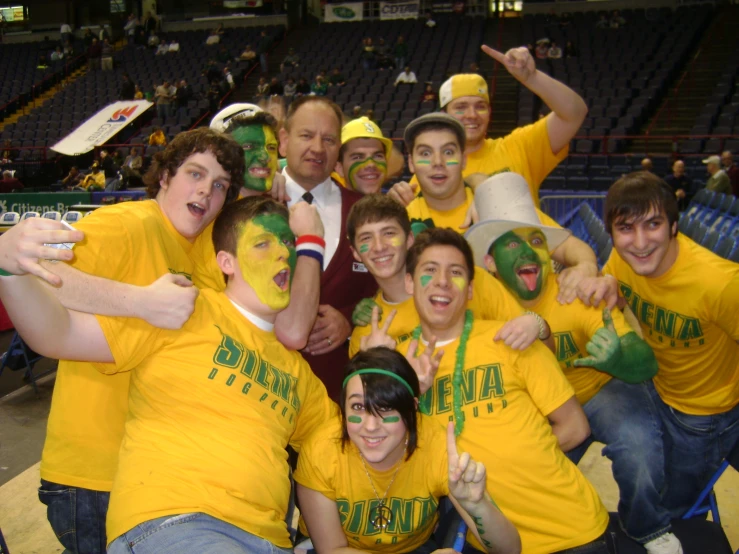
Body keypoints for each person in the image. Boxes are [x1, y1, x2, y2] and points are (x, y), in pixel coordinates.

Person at [0, 196, 334, 554]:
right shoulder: (183, 309)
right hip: (176, 524)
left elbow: (341, 450)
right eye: (263, 243)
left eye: (288, 242)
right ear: (227, 262)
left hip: (271, 539)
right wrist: (9, 269)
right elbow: (57, 334)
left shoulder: (299, 374)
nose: (283, 253)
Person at [0, 128, 245, 553]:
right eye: (195, 174)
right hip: (96, 477)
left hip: (148, 476)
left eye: (219, 185)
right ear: (165, 176)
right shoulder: (130, 222)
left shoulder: (198, 247)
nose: (206, 190)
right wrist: (140, 301)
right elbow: (36, 267)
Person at [466, 172, 685, 554]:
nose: (527, 251)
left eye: (536, 241)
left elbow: (644, 363)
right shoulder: (481, 302)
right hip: (540, 404)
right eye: (511, 243)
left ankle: (647, 527)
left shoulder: (578, 291)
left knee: (638, 448)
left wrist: (618, 357)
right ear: (489, 261)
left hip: (600, 390)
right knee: (517, 465)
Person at [366, 228, 611, 553]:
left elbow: (575, 428)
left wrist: (513, 461)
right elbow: (386, 459)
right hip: (484, 539)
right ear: (410, 282)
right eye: (429, 270)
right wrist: (387, 375)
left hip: (572, 530)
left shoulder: (510, 339)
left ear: (469, 290)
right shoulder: (397, 365)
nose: (441, 281)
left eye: (455, 272)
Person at [577, 172, 739, 543]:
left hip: (703, 416)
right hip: (655, 386)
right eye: (626, 228)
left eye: (652, 225)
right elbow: (617, 286)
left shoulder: (720, 283)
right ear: (612, 234)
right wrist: (608, 286)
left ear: (674, 227)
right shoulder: (621, 261)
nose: (640, 242)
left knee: (670, 508)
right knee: (635, 464)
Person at [295, 347, 521, 554]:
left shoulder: (435, 444)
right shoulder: (322, 449)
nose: (371, 426)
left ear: (412, 409)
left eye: (386, 408)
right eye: (358, 407)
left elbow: (509, 550)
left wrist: (477, 505)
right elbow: (332, 549)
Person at [399, 112, 599, 304]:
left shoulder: (499, 204)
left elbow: (570, 247)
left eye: (448, 152)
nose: (438, 162)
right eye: (425, 153)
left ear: (464, 159)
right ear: (411, 162)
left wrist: (585, 266)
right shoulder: (400, 221)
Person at [347, 193, 547, 358]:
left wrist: (538, 326)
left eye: (389, 233)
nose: (379, 246)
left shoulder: (468, 281)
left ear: (409, 239)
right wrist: (374, 365)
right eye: (366, 238)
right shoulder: (367, 332)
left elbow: (544, 352)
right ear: (355, 252)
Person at [389, 44, 587, 206]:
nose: (472, 115)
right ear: (444, 115)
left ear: (490, 113)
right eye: (461, 107)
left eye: (480, 106)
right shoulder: (432, 171)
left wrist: (532, 78)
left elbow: (574, 113)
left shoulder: (520, 147)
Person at [278, 96, 378, 399]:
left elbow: (387, 288)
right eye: (306, 135)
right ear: (284, 140)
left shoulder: (365, 212)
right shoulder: (252, 204)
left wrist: (348, 319)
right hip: (266, 387)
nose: (318, 148)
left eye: (329, 139)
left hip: (339, 390)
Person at [334, 117, 393, 195]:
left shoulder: (402, 205)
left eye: (378, 156)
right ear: (339, 168)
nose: (371, 164)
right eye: (358, 157)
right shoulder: (323, 206)